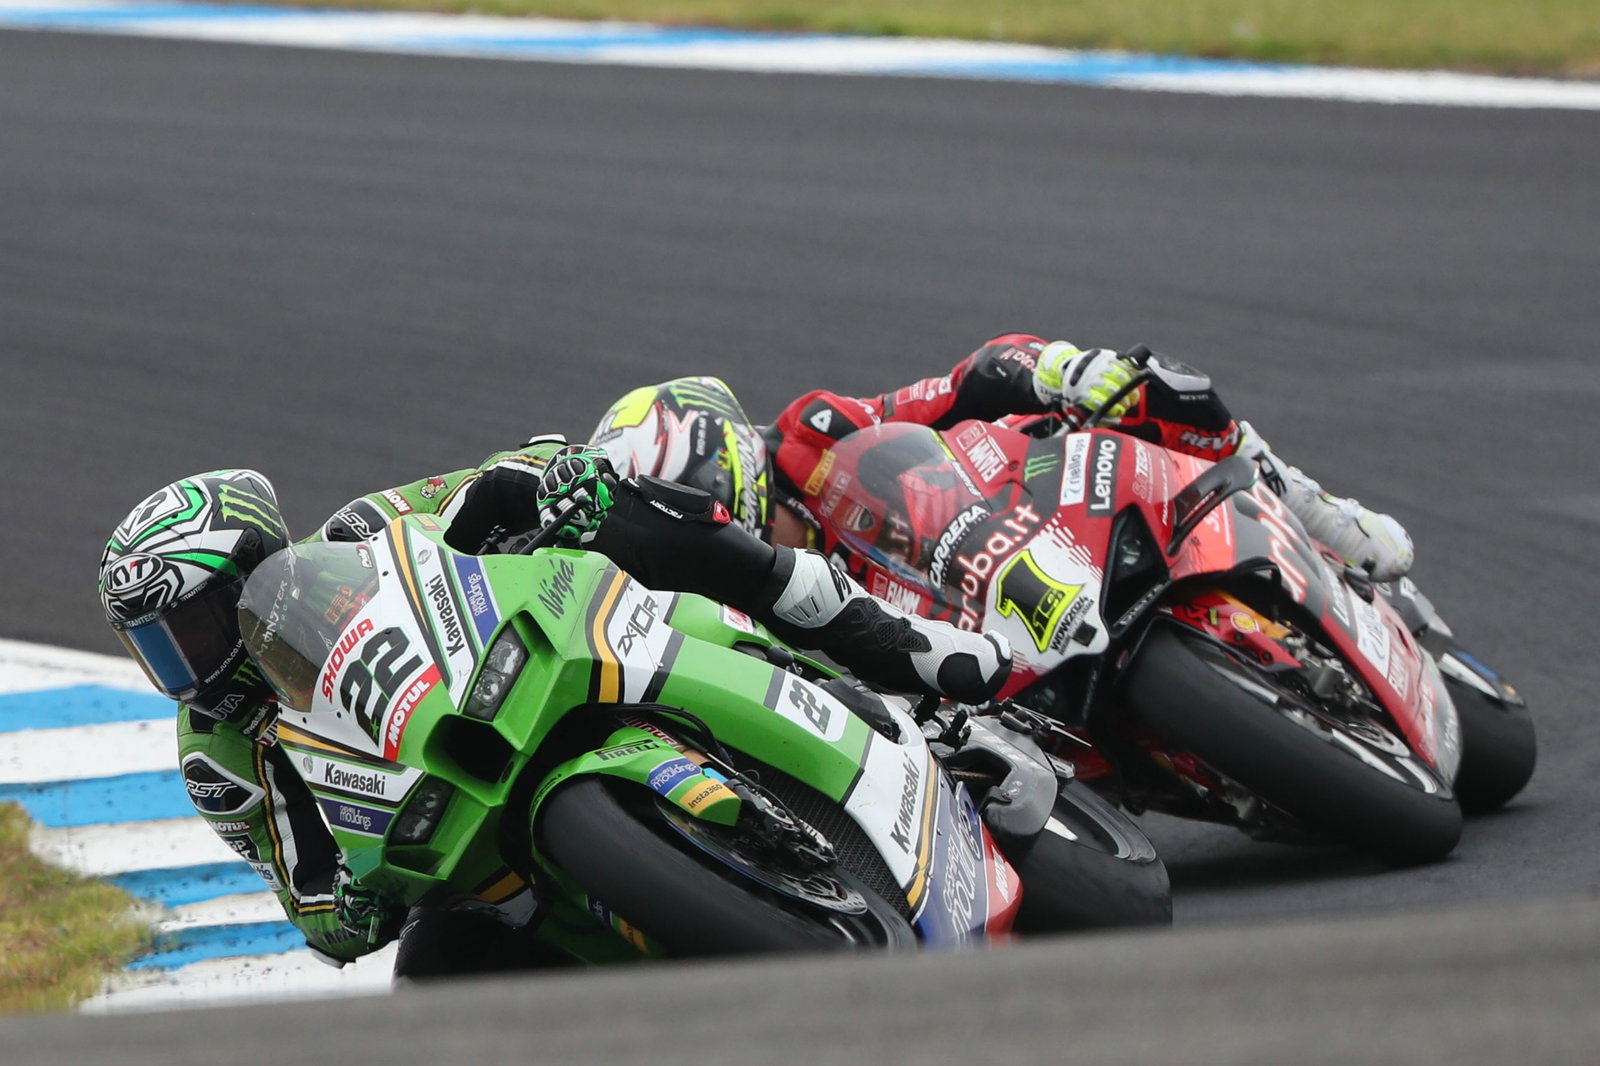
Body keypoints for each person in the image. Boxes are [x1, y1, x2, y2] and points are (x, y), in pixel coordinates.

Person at [96, 440, 1012, 978]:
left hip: (520, 672)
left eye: (196, 622)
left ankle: (892, 643)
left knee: (647, 525)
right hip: (443, 834)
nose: (189, 660)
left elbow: (477, 489)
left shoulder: (358, 536)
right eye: (159, 647)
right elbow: (301, 890)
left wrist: (549, 478)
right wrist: (350, 906)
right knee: (428, 976)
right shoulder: (215, 754)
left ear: (259, 562)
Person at [588, 333, 1414, 582]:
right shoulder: (739, 596)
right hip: (973, 667)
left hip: (1019, 520)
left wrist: (1052, 370)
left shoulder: (816, 432)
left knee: (1141, 392)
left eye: (744, 516)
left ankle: (1306, 506)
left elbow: (954, 387)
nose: (747, 539)